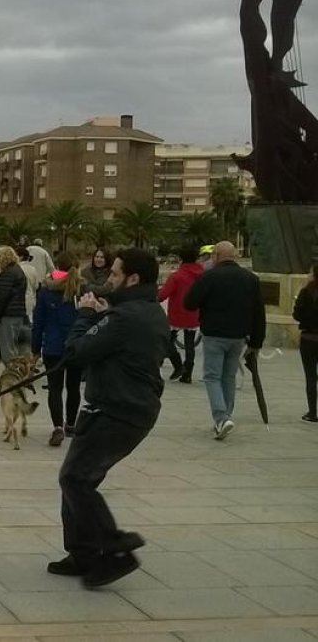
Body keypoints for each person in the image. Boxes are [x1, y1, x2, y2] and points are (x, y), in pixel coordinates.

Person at [49, 247, 167, 588]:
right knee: (75, 478)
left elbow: (75, 352)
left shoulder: (124, 318)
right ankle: (83, 554)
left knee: (76, 479)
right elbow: (116, 343)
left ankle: (116, 548)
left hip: (117, 412)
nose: (109, 279)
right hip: (129, 409)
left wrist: (86, 315)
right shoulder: (147, 311)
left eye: (115, 274)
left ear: (132, 278)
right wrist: (104, 317)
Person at [184, 241, 267, 440]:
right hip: (238, 336)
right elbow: (259, 312)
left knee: (212, 377)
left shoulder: (209, 277)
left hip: (214, 334)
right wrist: (256, 342)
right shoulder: (250, 279)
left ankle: (221, 418)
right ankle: (225, 418)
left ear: (216, 256)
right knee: (228, 377)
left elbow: (189, 303)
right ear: (235, 256)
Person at [32, 252, 84, 446]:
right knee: (73, 386)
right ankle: (71, 424)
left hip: (53, 346)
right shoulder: (81, 288)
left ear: (56, 268)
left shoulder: (46, 290)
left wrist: (35, 348)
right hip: (77, 346)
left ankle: (57, 427)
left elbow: (38, 322)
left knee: (55, 388)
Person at [158, 245, 203, 384]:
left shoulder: (177, 276)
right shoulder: (203, 275)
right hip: (194, 313)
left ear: (181, 258)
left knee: (167, 341)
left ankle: (178, 365)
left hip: (177, 313)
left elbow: (163, 295)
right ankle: (188, 372)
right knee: (190, 344)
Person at [0, 245, 30, 362]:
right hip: (18, 312)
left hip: (8, 313)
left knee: (8, 349)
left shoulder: (8, 273)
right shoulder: (18, 270)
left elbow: (2, 297)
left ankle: (12, 375)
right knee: (16, 346)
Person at [292, 263, 318, 423]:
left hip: (309, 338)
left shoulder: (306, 292)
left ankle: (312, 412)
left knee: (310, 376)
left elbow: (297, 314)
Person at [16, 246, 40, 320]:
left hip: (17, 303)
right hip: (30, 300)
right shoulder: (33, 269)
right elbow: (36, 286)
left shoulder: (15, 268)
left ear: (20, 257)